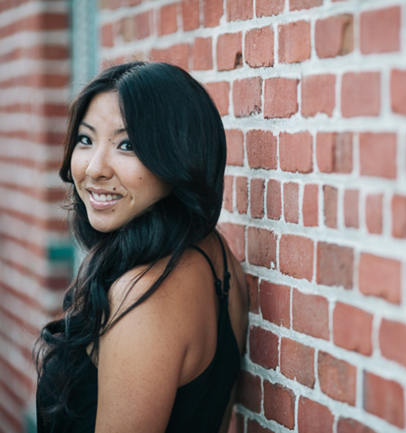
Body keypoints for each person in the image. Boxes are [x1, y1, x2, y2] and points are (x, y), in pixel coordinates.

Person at [34, 62, 249, 432]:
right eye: (86, 139)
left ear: (177, 155)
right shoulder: (219, 260)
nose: (94, 168)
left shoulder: (143, 297)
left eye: (127, 144)